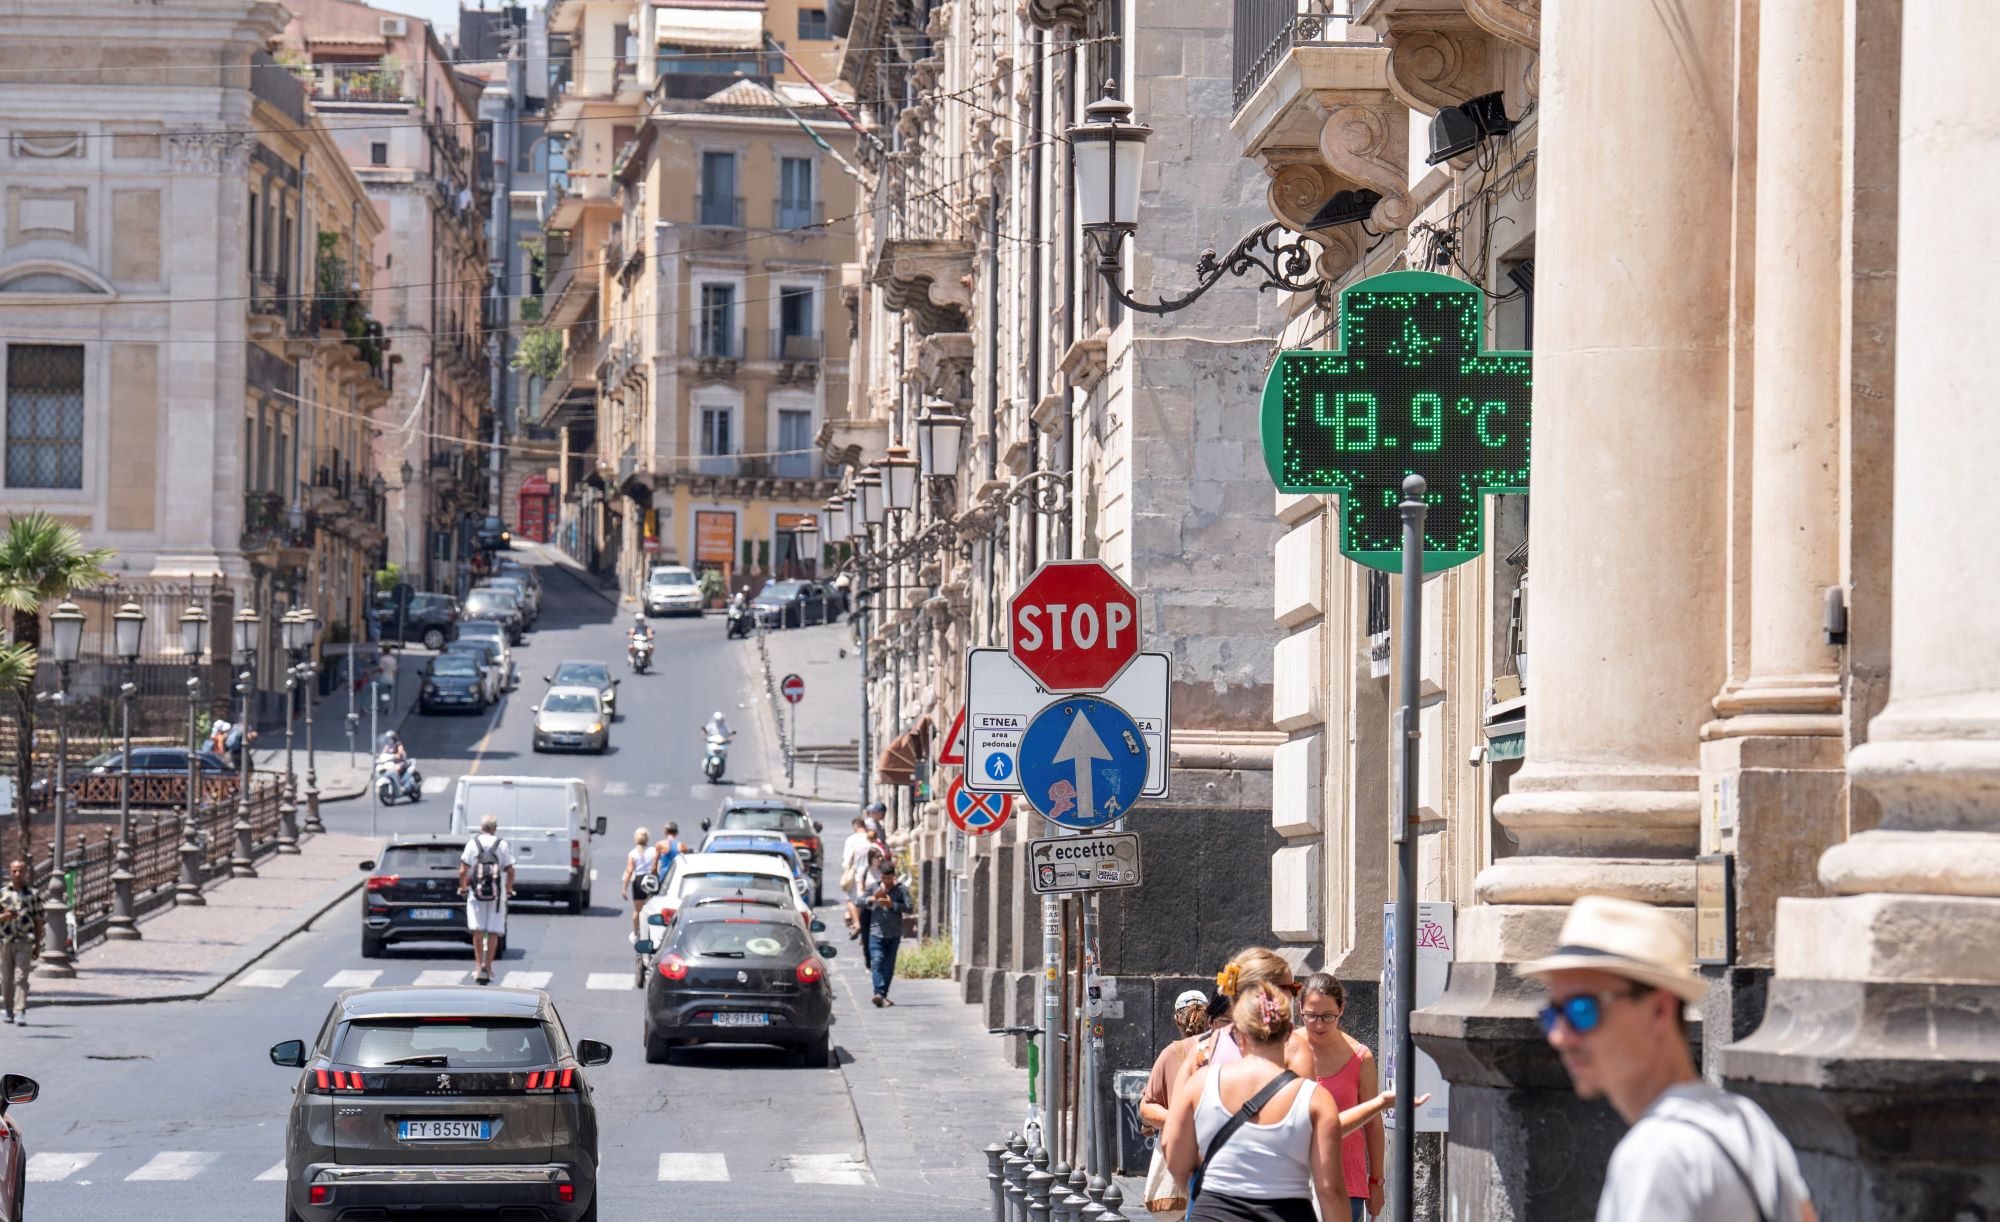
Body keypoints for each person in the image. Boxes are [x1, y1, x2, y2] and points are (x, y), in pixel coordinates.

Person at [1520, 895, 1816, 1222]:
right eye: (1553, 1014)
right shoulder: (1746, 1120)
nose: (1559, 1035)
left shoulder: (1655, 1154)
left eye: (1582, 1010)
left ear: (1659, 1010)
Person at [1161, 964, 1347, 1222]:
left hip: (1213, 1210)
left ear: (1240, 1031)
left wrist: (1204, 1181)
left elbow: (1173, 1150)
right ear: (1288, 1032)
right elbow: (1330, 1189)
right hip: (1287, 1211)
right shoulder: (1312, 1092)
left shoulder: (1202, 1076)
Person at [1301, 974, 1384, 1220]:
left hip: (1346, 1185)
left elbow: (1373, 1124)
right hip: (1293, 1183)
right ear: (1300, 1009)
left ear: (1341, 1010)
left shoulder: (1360, 1057)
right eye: (1311, 1016)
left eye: (1328, 1016)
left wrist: (1376, 1181)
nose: (1319, 1025)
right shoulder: (1286, 1048)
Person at [457, 814, 516, 985]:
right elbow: (510, 870)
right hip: (496, 895)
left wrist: (463, 888)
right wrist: (508, 889)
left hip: (476, 893)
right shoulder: (502, 844)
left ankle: (478, 966)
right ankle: (488, 967)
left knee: (477, 930)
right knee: (492, 931)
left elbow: (463, 870)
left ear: (481, 827)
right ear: (495, 828)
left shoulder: (472, 843)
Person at [865, 862, 911, 1007]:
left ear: (893, 876)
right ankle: (879, 993)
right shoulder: (874, 887)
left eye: (889, 878)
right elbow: (859, 901)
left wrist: (893, 905)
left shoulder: (901, 889)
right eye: (884, 878)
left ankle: (882, 995)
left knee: (888, 966)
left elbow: (909, 907)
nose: (886, 881)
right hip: (876, 932)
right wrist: (871, 899)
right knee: (877, 961)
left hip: (894, 933)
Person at [0, 861, 40, 1026]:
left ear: (25, 873)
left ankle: (20, 1010)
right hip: (5, 941)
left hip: (25, 941)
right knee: (6, 978)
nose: (17, 874)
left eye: (21, 871)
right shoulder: (2, 893)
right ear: (10, 872)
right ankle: (8, 1009)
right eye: (14, 871)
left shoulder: (33, 894)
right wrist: (5, 917)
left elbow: (38, 920)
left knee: (21, 977)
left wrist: (38, 944)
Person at [840, 816, 872, 940]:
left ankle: (857, 923)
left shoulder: (851, 839)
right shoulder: (870, 838)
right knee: (865, 899)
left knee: (851, 899)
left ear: (855, 826)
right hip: (869, 872)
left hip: (855, 872)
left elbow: (846, 859)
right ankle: (864, 924)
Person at [620, 827, 653, 942]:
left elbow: (629, 870)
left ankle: (635, 933)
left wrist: (624, 888)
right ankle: (650, 932)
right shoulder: (653, 851)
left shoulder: (633, 853)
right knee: (651, 907)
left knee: (637, 910)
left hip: (638, 881)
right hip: (650, 880)